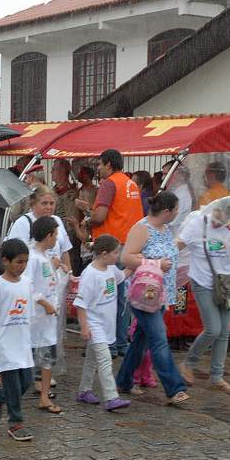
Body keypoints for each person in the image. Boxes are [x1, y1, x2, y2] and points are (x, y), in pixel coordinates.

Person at [115, 192, 190, 404]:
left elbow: (170, 252)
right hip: (143, 296)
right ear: (166, 211)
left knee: (141, 340)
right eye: (175, 209)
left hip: (161, 294)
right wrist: (155, 264)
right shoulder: (141, 228)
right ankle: (175, 388)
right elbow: (126, 257)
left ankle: (124, 380)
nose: (177, 213)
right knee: (159, 339)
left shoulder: (166, 230)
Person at [178, 196, 230, 393]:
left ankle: (217, 376)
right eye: (217, 216)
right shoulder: (197, 222)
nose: (219, 221)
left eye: (223, 219)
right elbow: (179, 243)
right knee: (213, 329)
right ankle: (188, 364)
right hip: (203, 281)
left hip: (227, 285)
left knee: (224, 332)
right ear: (213, 210)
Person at [83, 149, 143, 357]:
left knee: (105, 298)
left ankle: (108, 344)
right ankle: (120, 343)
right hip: (131, 245)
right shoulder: (130, 183)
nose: (97, 169)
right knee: (122, 298)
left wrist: (87, 218)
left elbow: (100, 216)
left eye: (99, 165)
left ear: (108, 165)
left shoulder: (109, 183)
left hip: (111, 248)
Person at [0, 238, 38, 441]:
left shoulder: (27, 284)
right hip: (4, 343)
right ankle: (15, 421)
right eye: (18, 262)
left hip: (22, 342)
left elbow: (29, 315)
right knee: (13, 383)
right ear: (5, 261)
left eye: (25, 262)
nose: (22, 266)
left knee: (27, 381)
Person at [74, 235, 132, 412]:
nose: (118, 256)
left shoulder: (111, 268)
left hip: (106, 324)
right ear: (104, 254)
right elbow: (80, 304)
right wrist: (84, 327)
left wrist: (136, 264)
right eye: (116, 252)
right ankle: (111, 397)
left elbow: (121, 276)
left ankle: (84, 391)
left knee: (91, 360)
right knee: (105, 359)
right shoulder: (90, 275)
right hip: (94, 324)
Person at [25, 216, 63, 414]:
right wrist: (44, 303)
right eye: (55, 234)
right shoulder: (32, 259)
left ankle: (44, 396)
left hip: (47, 318)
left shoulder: (46, 257)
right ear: (48, 235)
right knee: (28, 358)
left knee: (48, 358)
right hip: (35, 318)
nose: (57, 238)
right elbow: (27, 286)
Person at [7, 184, 73, 274]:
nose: (49, 207)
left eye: (52, 203)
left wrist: (70, 274)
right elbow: (16, 257)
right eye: (44, 203)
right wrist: (49, 264)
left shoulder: (57, 221)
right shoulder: (23, 223)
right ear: (33, 204)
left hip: (57, 280)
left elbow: (65, 252)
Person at [162, 160, 194, 235]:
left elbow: (168, 220)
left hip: (176, 238)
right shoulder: (176, 192)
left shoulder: (182, 196)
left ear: (179, 175)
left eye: (166, 174)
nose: (163, 178)